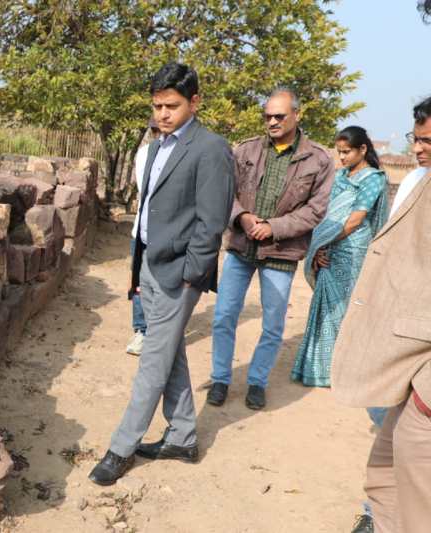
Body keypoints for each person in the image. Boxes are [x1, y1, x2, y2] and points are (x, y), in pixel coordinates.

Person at [88, 62, 234, 486]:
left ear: (194, 102)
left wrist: (192, 275)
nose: (163, 114)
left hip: (180, 272)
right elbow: (147, 215)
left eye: (172, 105)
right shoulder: (155, 147)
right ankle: (184, 436)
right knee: (170, 352)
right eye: (157, 106)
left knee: (153, 360)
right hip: (150, 264)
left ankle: (121, 447)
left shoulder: (211, 149)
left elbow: (212, 222)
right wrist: (138, 268)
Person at [333, 96, 431, 533]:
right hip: (404, 351)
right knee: (386, 470)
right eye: (417, 138)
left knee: (415, 473)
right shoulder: (418, 182)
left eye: (428, 140)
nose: (419, 148)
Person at [207, 88, 334, 410]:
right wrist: (243, 216)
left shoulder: (318, 159)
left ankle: (257, 382)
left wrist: (274, 227)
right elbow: (225, 192)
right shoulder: (246, 150)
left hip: (281, 252)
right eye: (268, 116)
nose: (273, 121)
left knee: (273, 324)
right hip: (240, 246)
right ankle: (220, 378)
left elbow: (316, 210)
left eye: (279, 116)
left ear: (296, 115)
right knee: (223, 315)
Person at [290, 127, 388, 387]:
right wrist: (320, 247)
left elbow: (356, 219)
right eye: (339, 152)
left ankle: (340, 370)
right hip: (330, 248)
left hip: (352, 251)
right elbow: (327, 215)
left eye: (347, 152)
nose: (342, 157)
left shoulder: (373, 179)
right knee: (323, 306)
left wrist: (326, 241)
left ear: (362, 149)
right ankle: (316, 368)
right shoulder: (340, 176)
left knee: (344, 310)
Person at [127, 119, 161, 356]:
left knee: (163, 285)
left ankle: (157, 331)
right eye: (156, 130)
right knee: (140, 284)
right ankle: (142, 330)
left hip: (169, 234)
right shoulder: (145, 154)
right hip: (142, 230)